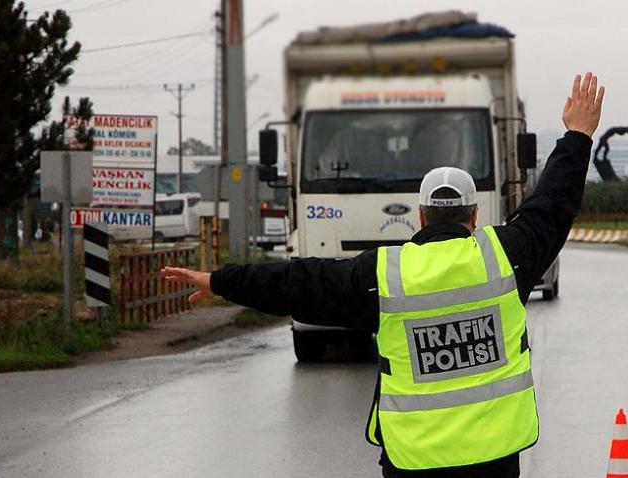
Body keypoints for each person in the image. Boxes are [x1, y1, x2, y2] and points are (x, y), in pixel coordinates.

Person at [162, 72, 604, 477]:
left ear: (421, 216)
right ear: (474, 217)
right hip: (494, 459)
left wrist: (220, 281)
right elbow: (553, 205)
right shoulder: (505, 257)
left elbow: (298, 283)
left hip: (414, 461)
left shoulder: (386, 274)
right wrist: (577, 135)